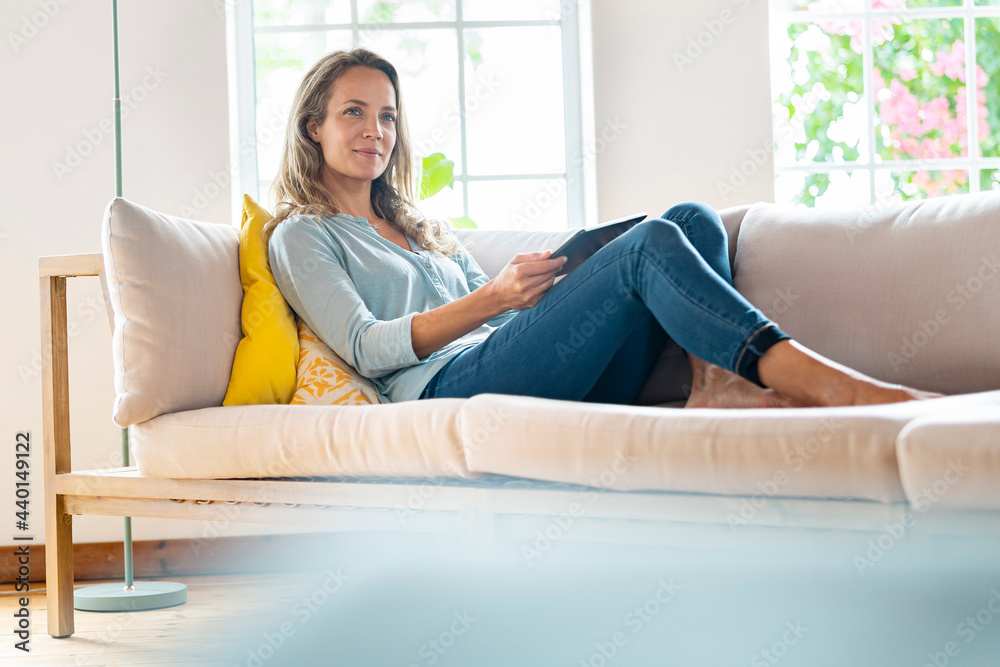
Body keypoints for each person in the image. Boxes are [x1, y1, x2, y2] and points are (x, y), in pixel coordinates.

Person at [266, 48, 940, 409]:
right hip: (446, 387)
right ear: (312, 127)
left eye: (386, 116)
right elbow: (364, 347)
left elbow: (501, 327)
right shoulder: (302, 236)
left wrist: (554, 291)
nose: (375, 130)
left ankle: (715, 386)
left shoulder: (420, 225)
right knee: (646, 246)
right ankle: (819, 381)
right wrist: (496, 297)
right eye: (354, 112)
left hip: (526, 365)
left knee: (687, 220)